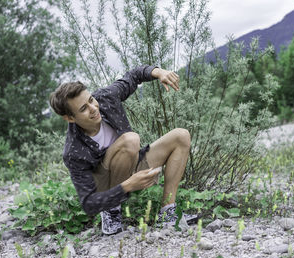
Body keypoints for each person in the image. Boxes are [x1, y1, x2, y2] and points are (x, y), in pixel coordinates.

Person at [49, 65, 197, 235]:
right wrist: (127, 186)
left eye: (90, 100)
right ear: (69, 118)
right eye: (83, 109)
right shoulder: (73, 151)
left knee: (181, 136)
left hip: (133, 164)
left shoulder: (105, 98)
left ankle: (168, 213)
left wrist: (159, 72)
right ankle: (112, 211)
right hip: (108, 186)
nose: (93, 108)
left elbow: (133, 76)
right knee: (130, 140)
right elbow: (89, 203)